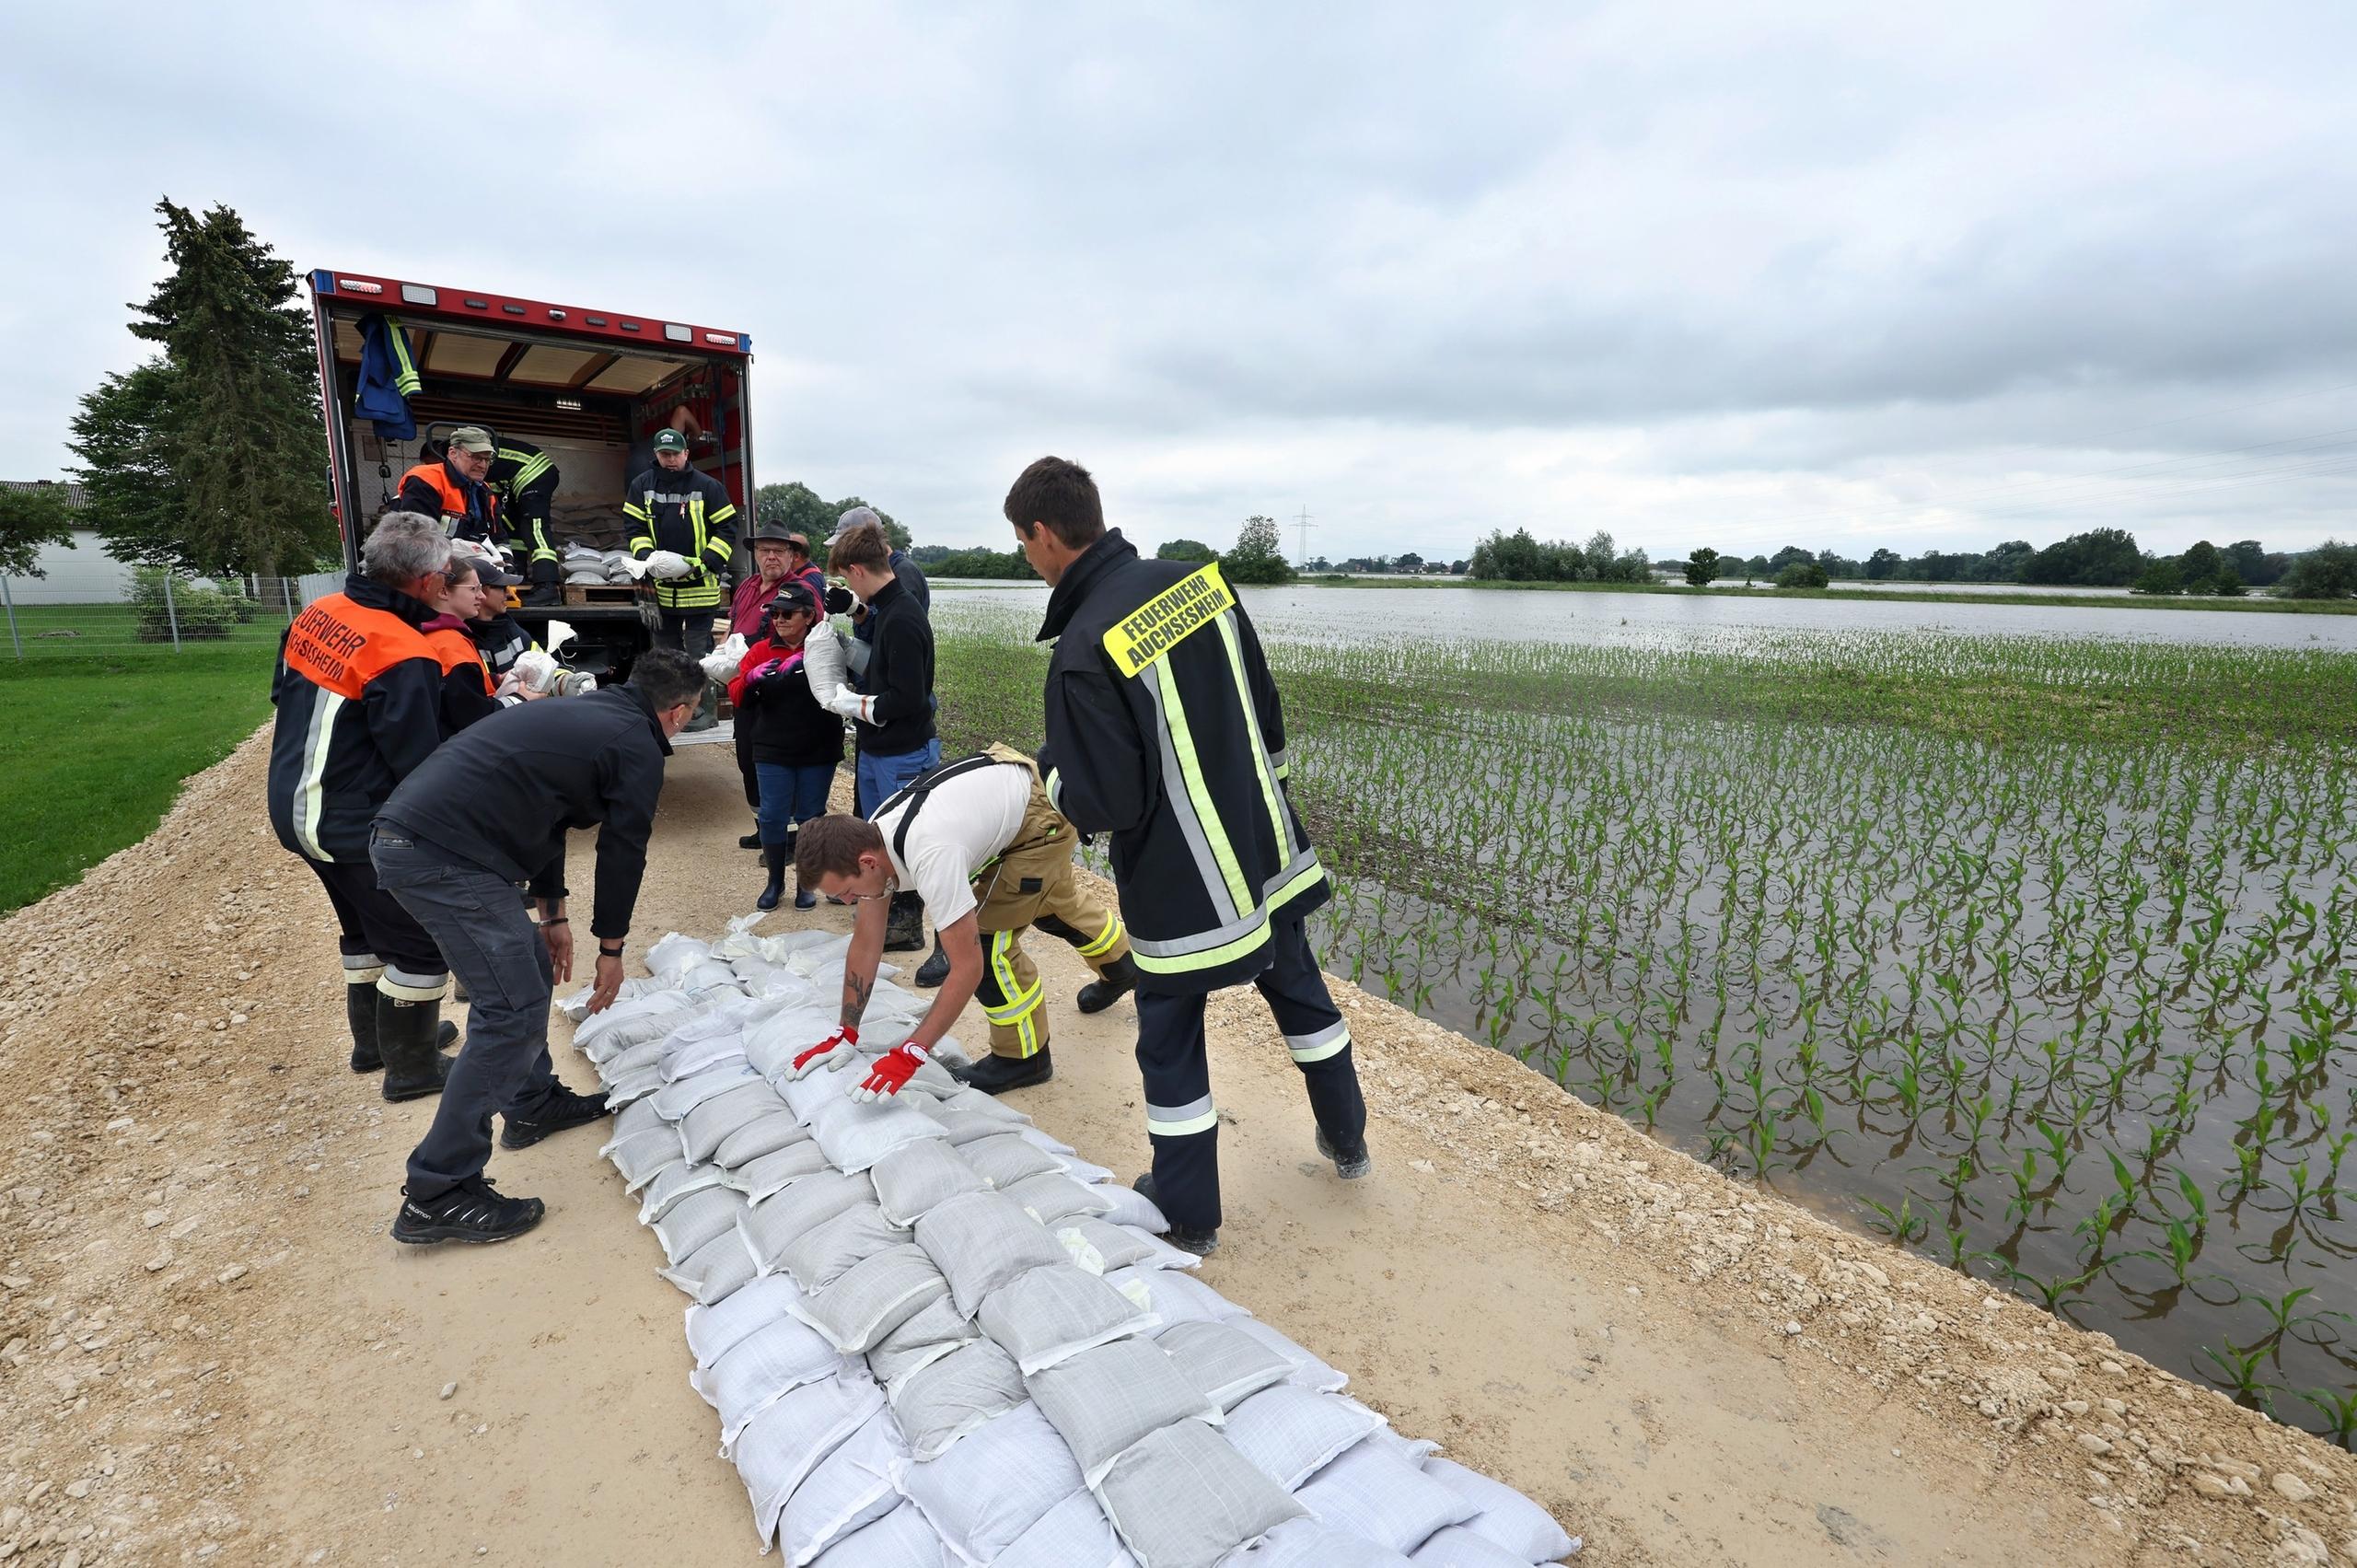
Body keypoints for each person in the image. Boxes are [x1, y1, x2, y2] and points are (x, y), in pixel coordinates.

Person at [1005, 455, 1370, 1257]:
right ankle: (1348, 1141)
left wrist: (1049, 771)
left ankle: (1187, 1213)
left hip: (1182, 880)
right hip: (1264, 846)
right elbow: (1266, 713)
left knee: (1169, 1041)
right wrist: (1263, 803)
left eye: (1022, 543)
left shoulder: (1082, 645)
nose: (1025, 560)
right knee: (1301, 991)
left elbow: (1109, 802)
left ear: (1043, 534)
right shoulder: (1202, 583)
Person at [374, 647, 709, 1245]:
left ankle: (530, 1103)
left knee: (525, 965)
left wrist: (552, 911)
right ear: (679, 712)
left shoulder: (590, 716)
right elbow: (621, 850)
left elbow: (549, 812)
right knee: (512, 1013)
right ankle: (438, 1189)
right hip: (443, 855)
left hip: (427, 838)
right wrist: (612, 948)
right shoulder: (634, 744)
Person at [264, 512, 483, 1100]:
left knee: (361, 927)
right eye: (443, 574)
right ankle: (410, 1069)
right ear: (423, 583)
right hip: (348, 818)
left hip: (292, 805)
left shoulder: (319, 613)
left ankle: (374, 1043)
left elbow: (282, 696)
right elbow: (418, 763)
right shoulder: (402, 650)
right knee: (416, 944)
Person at [790, 747, 1136, 1097]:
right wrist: (846, 1030)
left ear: (867, 863)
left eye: (848, 892)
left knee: (988, 944)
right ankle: (1123, 966)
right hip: (1019, 788)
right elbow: (866, 942)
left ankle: (1023, 1058)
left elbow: (967, 968)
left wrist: (911, 1052)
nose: (847, 901)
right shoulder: (872, 836)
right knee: (1046, 898)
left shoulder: (930, 855)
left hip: (1038, 822)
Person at [824, 516, 937, 951]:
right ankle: (886, 914)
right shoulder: (887, 610)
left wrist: (857, 705)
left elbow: (909, 698)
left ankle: (909, 928)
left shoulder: (904, 618)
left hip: (903, 752)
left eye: (846, 579)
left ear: (857, 571)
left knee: (905, 841)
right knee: (880, 838)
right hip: (878, 748)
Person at [726, 584, 843, 912]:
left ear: (809, 617)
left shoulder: (824, 648)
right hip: (772, 747)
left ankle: (806, 884)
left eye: (787, 613)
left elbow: (846, 683)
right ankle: (775, 882)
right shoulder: (761, 650)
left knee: (811, 818)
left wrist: (806, 664)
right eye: (774, 613)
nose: (779, 619)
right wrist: (750, 679)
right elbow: (736, 693)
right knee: (773, 816)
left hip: (818, 747)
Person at [625, 427, 737, 731]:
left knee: (699, 654)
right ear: (656, 455)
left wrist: (705, 564)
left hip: (699, 586)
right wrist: (650, 557)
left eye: (675, 454)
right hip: (660, 591)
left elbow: (727, 528)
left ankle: (704, 712)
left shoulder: (708, 487)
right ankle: (667, 715)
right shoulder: (642, 486)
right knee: (665, 657)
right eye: (664, 454)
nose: (670, 460)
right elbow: (633, 528)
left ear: (686, 453)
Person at [728, 521, 806, 848]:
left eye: (778, 550)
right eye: (764, 550)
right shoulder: (747, 586)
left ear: (791, 555)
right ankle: (763, 828)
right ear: (756, 554)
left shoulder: (799, 591)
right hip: (748, 686)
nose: (771, 556)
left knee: (778, 763)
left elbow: (806, 642)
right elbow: (732, 625)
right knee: (746, 757)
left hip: (779, 693)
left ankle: (787, 840)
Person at [485, 436, 563, 604]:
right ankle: (519, 575)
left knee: (535, 527)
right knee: (513, 527)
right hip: (520, 477)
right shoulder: (468, 454)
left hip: (534, 473)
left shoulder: (462, 454)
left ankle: (547, 587)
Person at [395, 426, 501, 542]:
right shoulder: (426, 481)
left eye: (487, 460)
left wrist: (506, 560)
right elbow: (417, 539)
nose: (483, 466)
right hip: (436, 557)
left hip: (473, 555)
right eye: (476, 457)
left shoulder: (485, 490)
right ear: (453, 453)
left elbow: (499, 538)